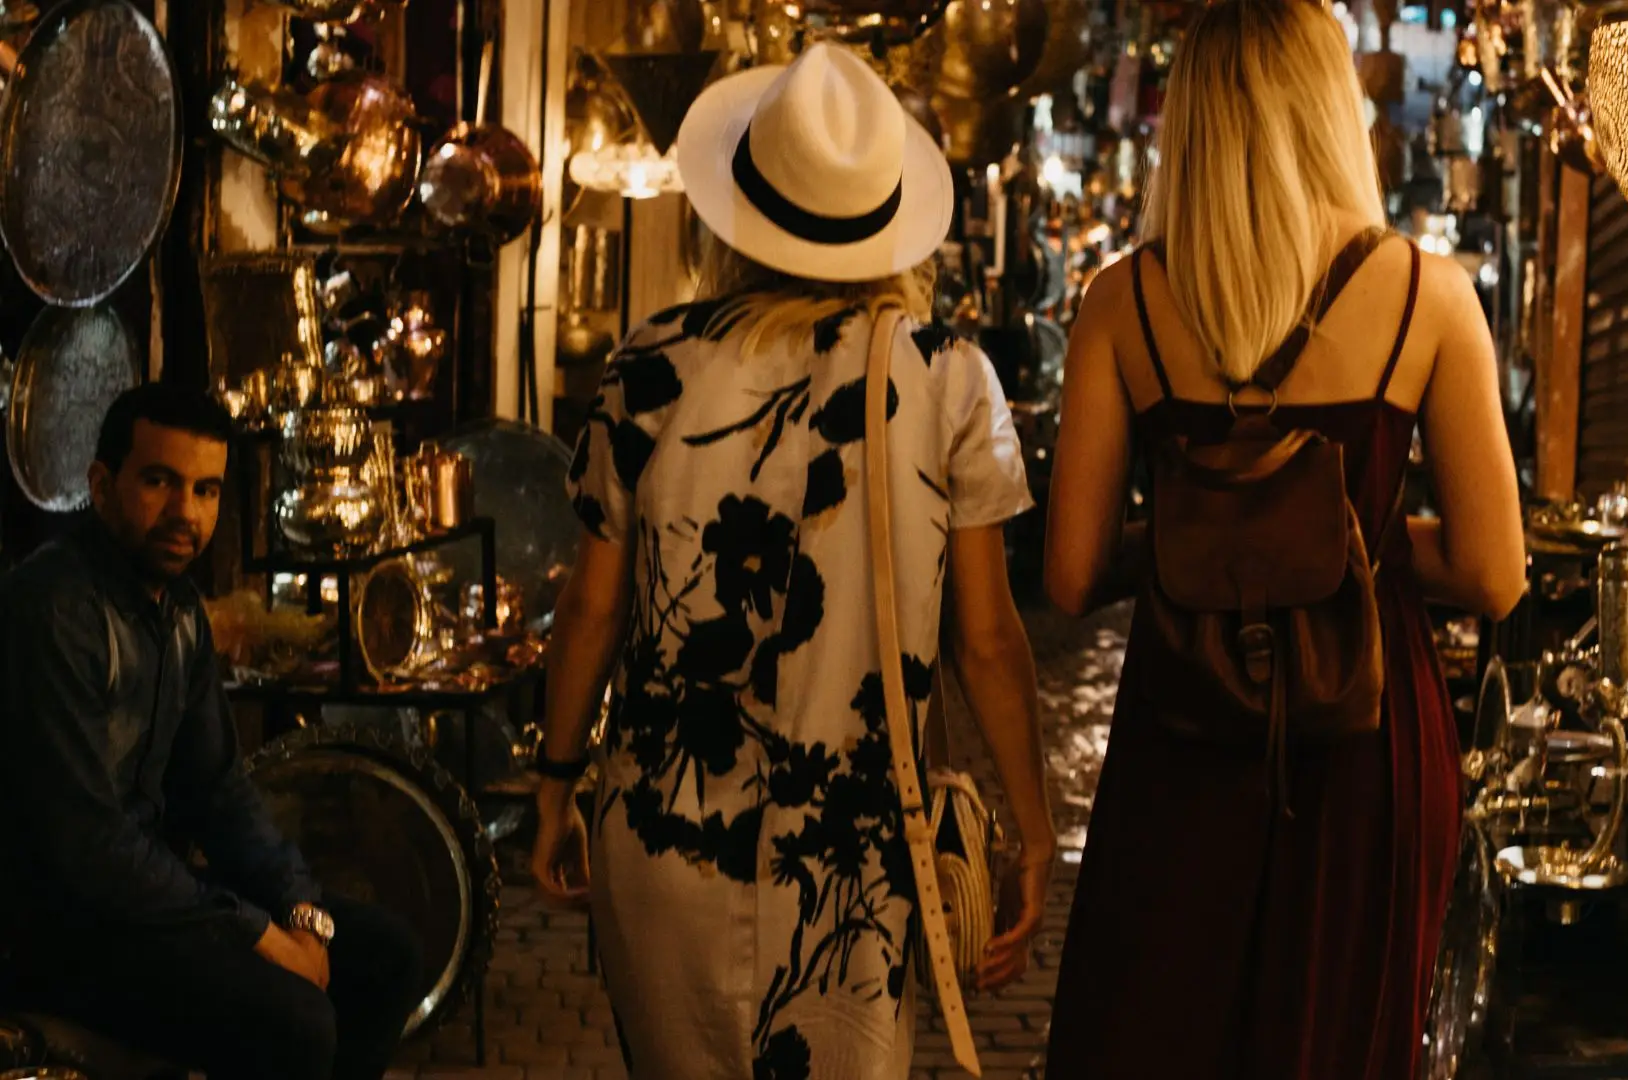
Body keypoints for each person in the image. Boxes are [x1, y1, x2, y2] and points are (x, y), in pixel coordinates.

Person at [533, 42, 1055, 1080]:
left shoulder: (648, 366)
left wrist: (555, 782)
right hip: (852, 863)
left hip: (662, 827)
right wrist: (1033, 831)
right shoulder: (949, 379)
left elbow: (592, 612)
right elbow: (988, 641)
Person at [1041, 1, 1527, 1076]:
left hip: (1186, 716)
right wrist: (1352, 542)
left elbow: (1071, 575)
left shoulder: (1122, 303)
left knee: (1157, 1022)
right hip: (1365, 732)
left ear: (1195, 120)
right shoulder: (1430, 298)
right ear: (1329, 106)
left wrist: (1206, 537)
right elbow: (1496, 575)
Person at [0, 384, 422, 1080]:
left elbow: (219, 792)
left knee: (385, 957)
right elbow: (88, 848)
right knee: (294, 1021)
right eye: (160, 482)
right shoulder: (53, 610)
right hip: (55, 930)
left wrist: (299, 909)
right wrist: (254, 931)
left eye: (205, 490)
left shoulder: (181, 611)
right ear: (101, 485)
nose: (184, 514)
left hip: (143, 905)